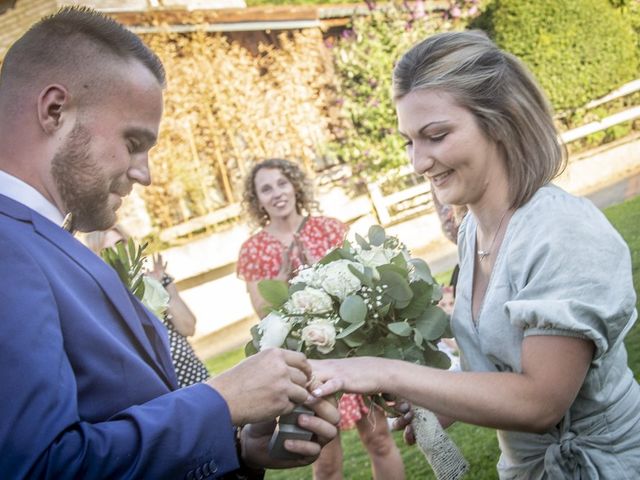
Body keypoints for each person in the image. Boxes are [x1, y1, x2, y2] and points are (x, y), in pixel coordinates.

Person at [0, 7, 339, 478]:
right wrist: (220, 403)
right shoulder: (8, 249)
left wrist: (235, 446)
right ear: (55, 109)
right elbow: (41, 466)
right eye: (134, 141)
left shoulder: (44, 238)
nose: (145, 173)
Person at [311, 30, 640, 478]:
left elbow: (539, 401)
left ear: (499, 121)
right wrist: (439, 399)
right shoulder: (472, 232)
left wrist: (384, 372)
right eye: (409, 141)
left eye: (436, 135)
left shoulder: (563, 231)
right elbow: (497, 364)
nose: (418, 163)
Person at [237, 158, 405, 480]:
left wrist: (323, 272)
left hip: (350, 350)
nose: (277, 193)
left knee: (379, 439)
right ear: (257, 200)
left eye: (282, 183)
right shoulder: (255, 249)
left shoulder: (328, 228)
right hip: (303, 366)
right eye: (266, 189)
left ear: (295, 185)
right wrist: (286, 281)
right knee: (324, 461)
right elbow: (262, 314)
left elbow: (359, 287)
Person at [85, 225, 210, 387]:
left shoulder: (155, 279)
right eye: (106, 251)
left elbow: (188, 327)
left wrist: (158, 288)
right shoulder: (102, 300)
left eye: (119, 244)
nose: (118, 253)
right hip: (157, 390)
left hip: (193, 377)